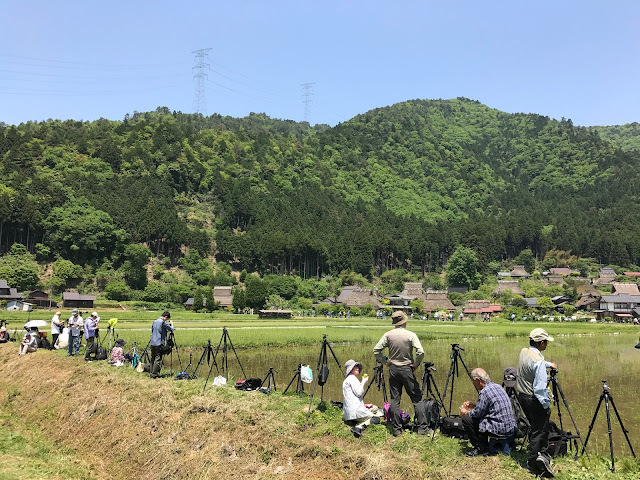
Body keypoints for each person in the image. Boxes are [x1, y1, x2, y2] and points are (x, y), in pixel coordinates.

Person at [373, 311, 429, 436]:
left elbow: (376, 350)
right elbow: (420, 352)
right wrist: (415, 364)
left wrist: (385, 361)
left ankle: (397, 430)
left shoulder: (388, 335)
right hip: (407, 369)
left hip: (393, 369)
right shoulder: (410, 335)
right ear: (404, 322)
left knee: (395, 400)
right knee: (417, 398)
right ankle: (422, 429)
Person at [516, 328, 556, 478]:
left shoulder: (524, 351)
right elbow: (540, 388)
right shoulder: (538, 362)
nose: (547, 345)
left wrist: (548, 364)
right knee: (539, 430)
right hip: (534, 398)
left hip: (522, 396)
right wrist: (546, 404)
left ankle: (539, 455)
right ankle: (533, 463)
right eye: (546, 342)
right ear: (541, 343)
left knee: (534, 427)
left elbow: (534, 363)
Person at [459, 368, 517, 456]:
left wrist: (465, 412)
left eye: (473, 381)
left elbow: (477, 414)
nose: (473, 383)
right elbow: (490, 407)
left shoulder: (484, 392)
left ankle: (481, 448)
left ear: (477, 380)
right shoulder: (497, 386)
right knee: (482, 417)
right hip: (510, 428)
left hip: (500, 430)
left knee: (467, 419)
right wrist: (474, 405)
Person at [342, 359, 381, 437]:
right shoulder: (352, 378)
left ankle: (358, 419)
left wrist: (364, 406)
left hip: (348, 413)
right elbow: (359, 392)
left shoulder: (347, 379)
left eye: (357, 367)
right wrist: (363, 381)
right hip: (355, 412)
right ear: (351, 369)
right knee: (377, 419)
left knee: (375, 408)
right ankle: (359, 427)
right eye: (355, 367)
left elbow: (354, 396)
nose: (357, 368)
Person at [149, 311, 174, 378]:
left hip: (152, 342)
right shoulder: (163, 322)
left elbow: (152, 331)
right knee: (158, 358)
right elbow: (171, 329)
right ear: (165, 317)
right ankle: (154, 374)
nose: (167, 320)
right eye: (167, 319)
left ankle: (151, 372)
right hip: (158, 343)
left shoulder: (155, 321)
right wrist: (172, 324)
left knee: (153, 358)